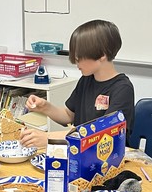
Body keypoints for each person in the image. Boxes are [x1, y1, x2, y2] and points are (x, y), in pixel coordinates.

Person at [20, 19, 135, 148]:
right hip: (81, 154)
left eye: (79, 56)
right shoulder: (86, 79)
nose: (75, 62)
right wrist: (45, 107)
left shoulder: (122, 89)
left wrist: (47, 138)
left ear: (102, 54)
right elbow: (68, 115)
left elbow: (102, 134)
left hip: (107, 157)